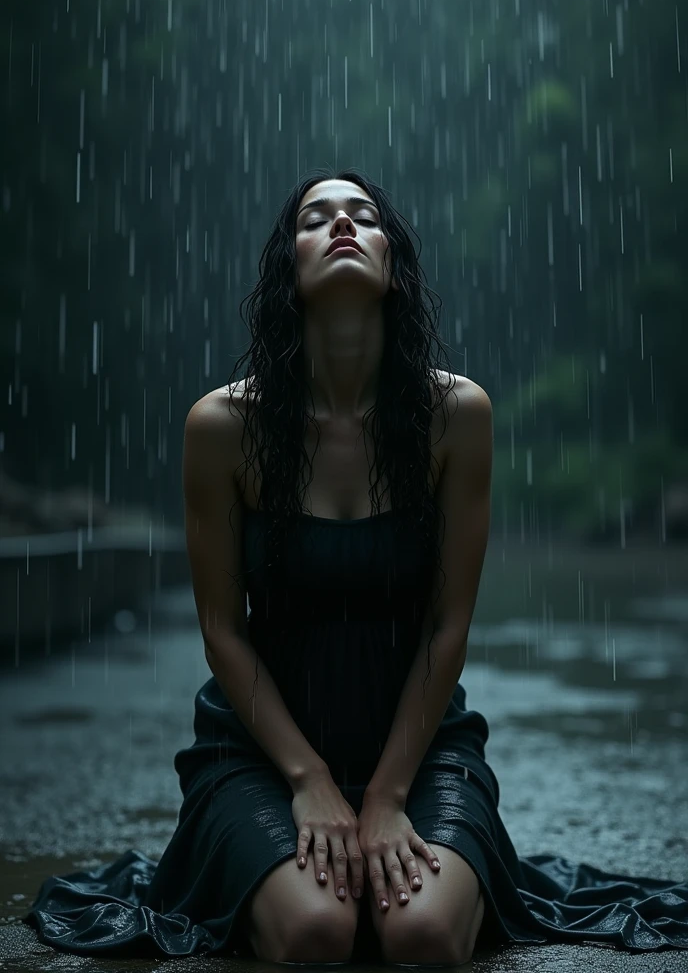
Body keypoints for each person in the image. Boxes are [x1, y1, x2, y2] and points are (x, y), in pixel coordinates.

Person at [22, 168, 688, 962]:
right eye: (316, 219)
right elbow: (222, 634)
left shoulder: (457, 417)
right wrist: (307, 780)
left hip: (422, 744)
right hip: (261, 753)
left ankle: (421, 854)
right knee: (316, 933)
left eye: (363, 216)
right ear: (288, 270)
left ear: (393, 265)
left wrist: (389, 793)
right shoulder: (222, 426)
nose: (341, 225)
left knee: (422, 935)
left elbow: (449, 626)